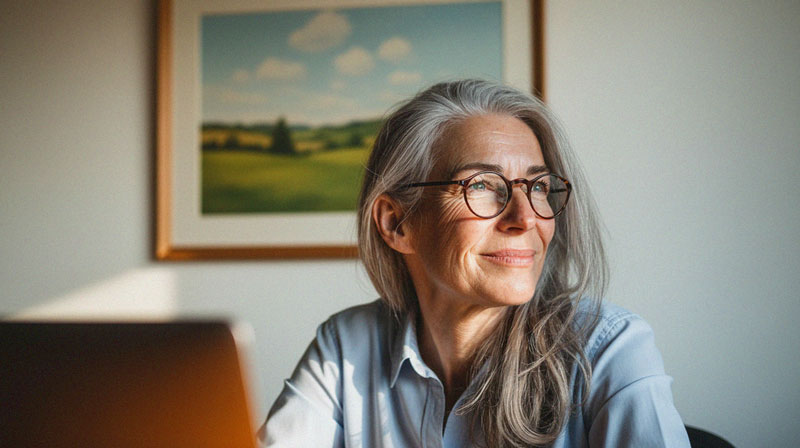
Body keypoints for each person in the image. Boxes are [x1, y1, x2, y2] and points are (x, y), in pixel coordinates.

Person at [260, 79, 690, 447]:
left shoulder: (610, 351)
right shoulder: (346, 345)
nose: (526, 218)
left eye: (539, 186)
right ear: (398, 223)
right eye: (483, 184)